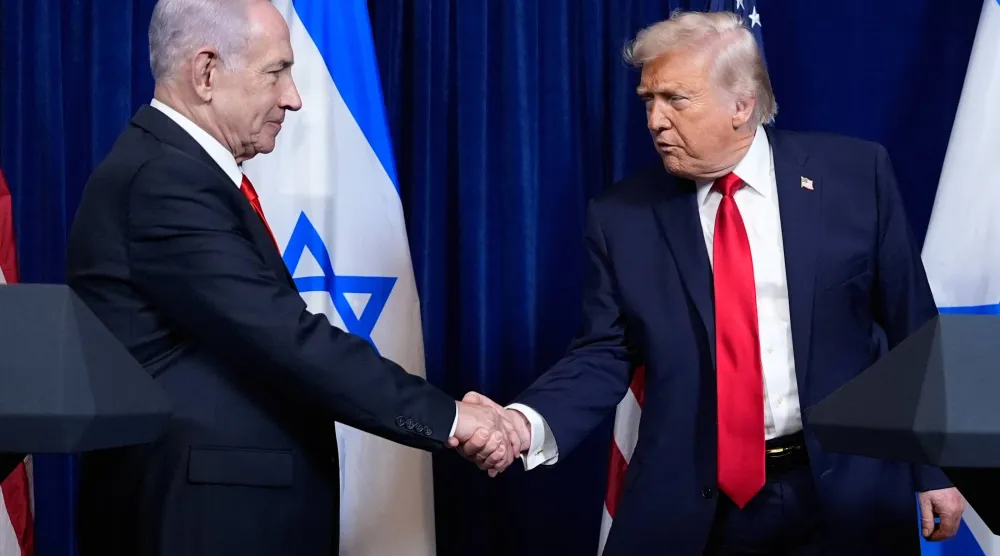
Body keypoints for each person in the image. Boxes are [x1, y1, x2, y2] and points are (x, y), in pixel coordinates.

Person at [456, 10, 965, 556]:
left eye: (676, 99)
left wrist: (937, 467)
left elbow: (915, 327)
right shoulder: (621, 217)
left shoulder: (856, 174)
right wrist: (522, 423)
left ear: (741, 106)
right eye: (648, 99)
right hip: (698, 506)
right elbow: (603, 353)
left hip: (848, 493)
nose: (654, 120)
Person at [66, 1, 518, 554]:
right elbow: (284, 337)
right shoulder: (162, 181)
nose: (294, 98)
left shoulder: (179, 172)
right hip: (199, 522)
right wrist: (450, 418)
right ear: (206, 72)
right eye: (276, 71)